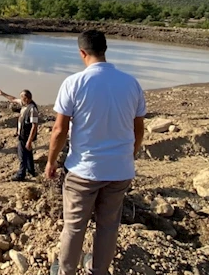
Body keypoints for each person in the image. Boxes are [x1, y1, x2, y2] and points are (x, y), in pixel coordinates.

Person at [45, 30, 146, 275]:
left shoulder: (74, 83)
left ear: (82, 53)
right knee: (109, 226)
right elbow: (139, 130)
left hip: (84, 170)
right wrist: (128, 155)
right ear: (105, 49)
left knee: (74, 227)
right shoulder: (131, 83)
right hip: (120, 171)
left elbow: (59, 130)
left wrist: (51, 162)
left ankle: (66, 271)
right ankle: (98, 270)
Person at [0, 88, 39, 181]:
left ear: (26, 98)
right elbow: (13, 99)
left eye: (22, 97)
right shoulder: (25, 105)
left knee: (22, 155)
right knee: (28, 154)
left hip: (26, 136)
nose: (20, 99)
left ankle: (21, 174)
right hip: (22, 134)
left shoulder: (32, 109)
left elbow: (34, 126)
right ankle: (31, 171)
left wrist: (29, 141)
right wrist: (3, 94)